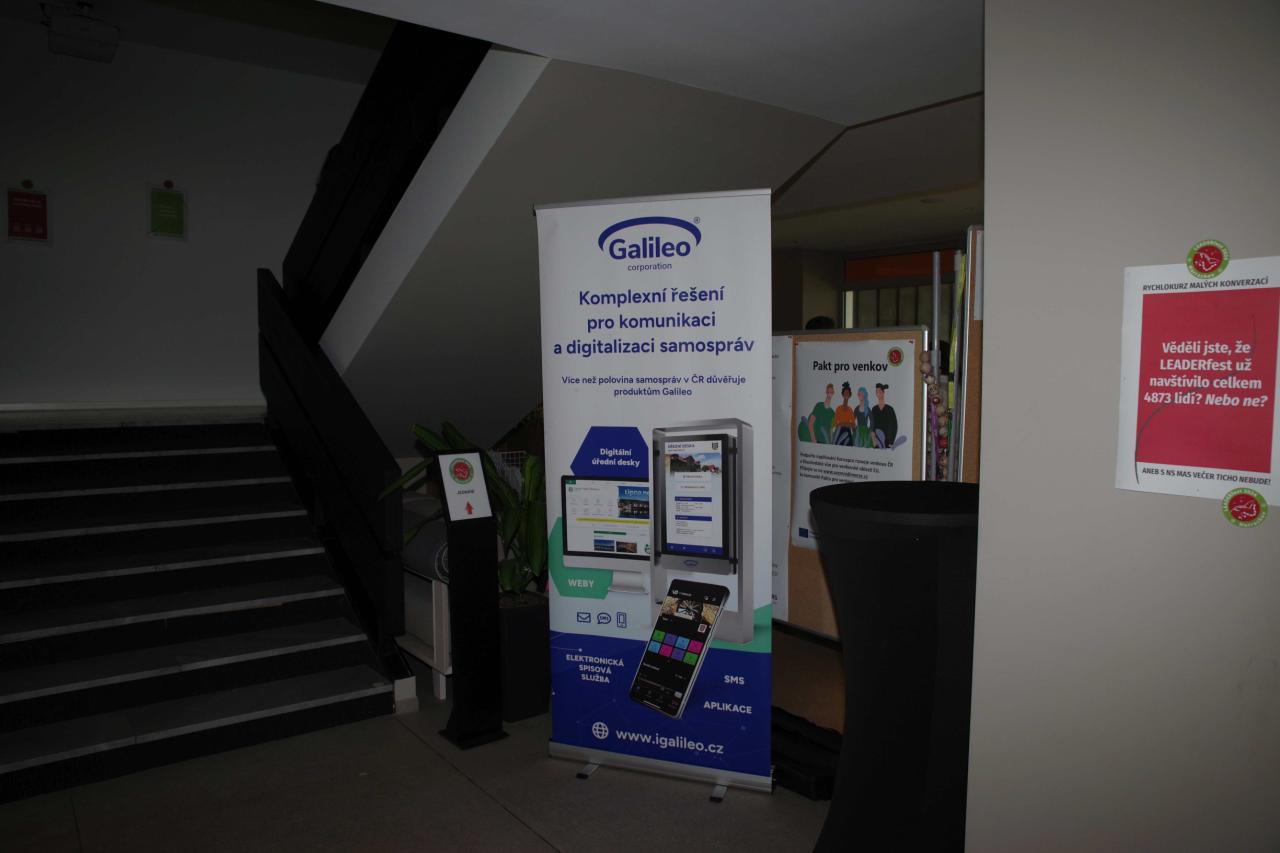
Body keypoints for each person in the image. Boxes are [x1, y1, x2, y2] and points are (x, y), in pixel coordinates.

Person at [870, 382, 898, 448]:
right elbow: (872, 425)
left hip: (887, 442)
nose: (878, 393)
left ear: (883, 392)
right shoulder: (874, 409)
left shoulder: (890, 409)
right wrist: (874, 440)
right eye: (876, 392)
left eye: (879, 391)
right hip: (877, 441)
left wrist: (891, 442)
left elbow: (894, 426)